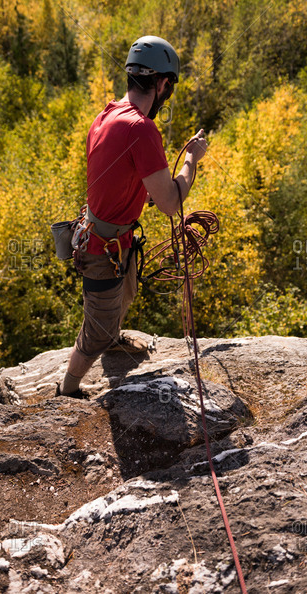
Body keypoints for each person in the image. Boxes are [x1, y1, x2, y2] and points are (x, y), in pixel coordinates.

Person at [57, 35, 207, 397]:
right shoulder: (141, 128)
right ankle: (68, 387)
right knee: (98, 329)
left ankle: (111, 338)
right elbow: (172, 202)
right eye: (168, 86)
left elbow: (117, 171)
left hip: (107, 236)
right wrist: (191, 160)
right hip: (102, 246)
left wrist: (143, 191)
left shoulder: (109, 113)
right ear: (161, 83)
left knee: (124, 295)